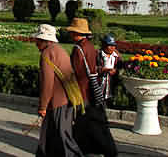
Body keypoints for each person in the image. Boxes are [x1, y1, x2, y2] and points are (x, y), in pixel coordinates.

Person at [67, 18, 118, 157]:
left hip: (82, 91)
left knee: (83, 124)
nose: (71, 35)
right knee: (93, 123)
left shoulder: (78, 49)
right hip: (93, 89)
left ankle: (85, 149)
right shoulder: (90, 46)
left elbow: (76, 73)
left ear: (77, 33)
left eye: (72, 32)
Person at [33, 24, 82, 157]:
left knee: (63, 138)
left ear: (45, 41)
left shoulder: (46, 54)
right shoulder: (59, 50)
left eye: (38, 40)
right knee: (50, 137)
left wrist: (42, 107)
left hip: (57, 102)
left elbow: (47, 84)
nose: (36, 43)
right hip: (67, 99)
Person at [97, 34, 120, 103]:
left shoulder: (116, 56)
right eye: (109, 45)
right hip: (100, 82)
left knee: (109, 100)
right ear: (104, 45)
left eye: (113, 46)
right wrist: (103, 70)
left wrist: (116, 71)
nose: (112, 48)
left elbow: (120, 67)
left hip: (111, 83)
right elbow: (92, 68)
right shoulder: (98, 54)